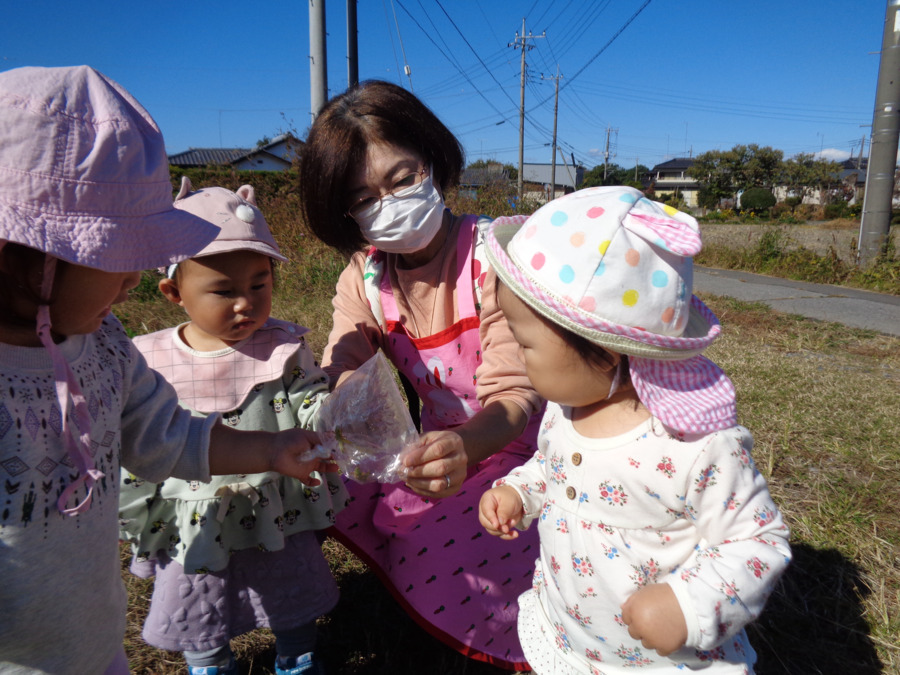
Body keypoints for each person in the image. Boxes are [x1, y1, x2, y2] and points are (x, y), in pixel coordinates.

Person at [0, 65, 332, 675]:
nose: (132, 281)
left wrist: (272, 446)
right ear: (32, 257)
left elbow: (169, 435)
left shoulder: (104, 346)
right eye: (117, 255)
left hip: (90, 640)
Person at [478, 186, 792, 673]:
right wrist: (521, 491)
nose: (515, 356)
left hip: (659, 660)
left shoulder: (692, 445)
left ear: (604, 350)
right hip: (574, 640)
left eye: (523, 344)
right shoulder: (567, 409)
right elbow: (551, 467)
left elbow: (758, 541)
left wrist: (689, 605)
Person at [298, 80, 543, 670]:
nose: (388, 203)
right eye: (363, 196)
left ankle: (523, 637)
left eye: (401, 179)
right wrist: (337, 402)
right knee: (315, 490)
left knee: (447, 543)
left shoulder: (496, 255)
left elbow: (516, 398)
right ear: (343, 212)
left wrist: (462, 446)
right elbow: (345, 359)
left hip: (521, 451)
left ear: (432, 162)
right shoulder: (365, 277)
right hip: (436, 449)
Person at [119, 179, 347, 675]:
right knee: (197, 588)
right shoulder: (151, 359)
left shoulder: (282, 345)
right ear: (173, 291)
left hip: (274, 495)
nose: (245, 303)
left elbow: (307, 395)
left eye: (259, 285)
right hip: (194, 506)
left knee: (288, 579)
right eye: (223, 291)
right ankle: (208, 661)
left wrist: (326, 415)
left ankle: (297, 652)